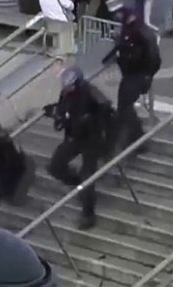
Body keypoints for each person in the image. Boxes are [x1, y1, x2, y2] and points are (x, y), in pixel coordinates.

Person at [44, 67, 112, 230]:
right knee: (55, 166)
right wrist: (55, 113)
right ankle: (77, 184)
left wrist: (96, 124)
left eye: (71, 85)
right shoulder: (66, 94)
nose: (67, 88)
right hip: (74, 137)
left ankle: (88, 214)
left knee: (87, 176)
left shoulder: (90, 94)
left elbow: (106, 110)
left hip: (91, 140)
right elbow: (64, 109)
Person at [104, 0, 160, 150]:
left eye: (121, 13)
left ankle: (132, 140)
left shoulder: (142, 32)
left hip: (139, 74)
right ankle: (137, 139)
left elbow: (154, 58)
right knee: (124, 106)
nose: (118, 17)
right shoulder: (127, 29)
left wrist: (148, 76)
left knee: (125, 107)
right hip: (129, 73)